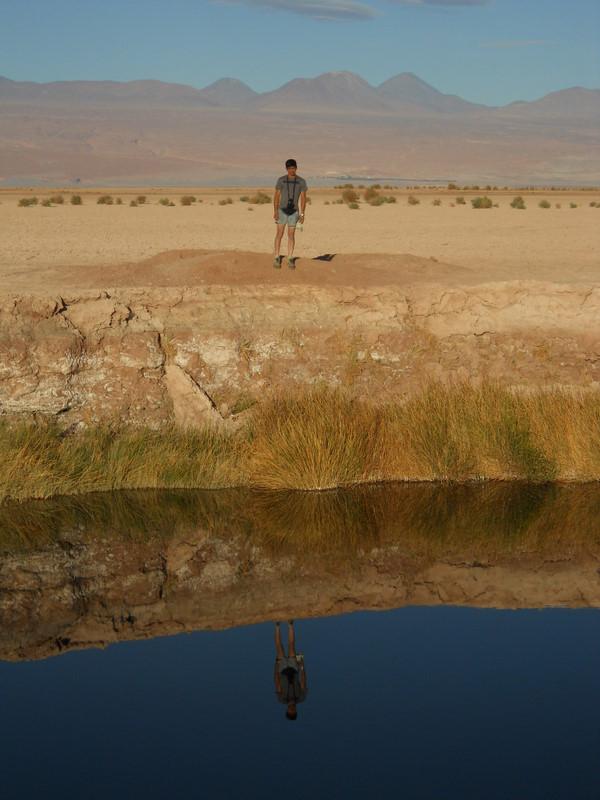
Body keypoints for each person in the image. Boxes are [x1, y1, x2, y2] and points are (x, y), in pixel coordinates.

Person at [273, 159, 308, 270]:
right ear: (286, 169)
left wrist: (302, 214)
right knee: (279, 233)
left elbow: (303, 198)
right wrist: (275, 211)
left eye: (293, 168)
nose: (291, 170)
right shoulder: (281, 180)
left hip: (294, 212)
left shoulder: (301, 181)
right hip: (282, 211)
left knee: (291, 235)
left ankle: (290, 257)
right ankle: (277, 257)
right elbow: (276, 196)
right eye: (289, 168)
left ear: (296, 168)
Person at [274, 620, 308, 720]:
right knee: (292, 646)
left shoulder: (281, 699)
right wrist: (301, 664)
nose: (292, 710)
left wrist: (276, 666)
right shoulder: (301, 697)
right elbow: (303, 680)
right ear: (296, 711)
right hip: (294, 669)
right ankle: (290, 625)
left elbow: (277, 682)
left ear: (287, 710)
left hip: (282, 670)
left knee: (279, 647)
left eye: (290, 711)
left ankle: (277, 626)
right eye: (294, 712)